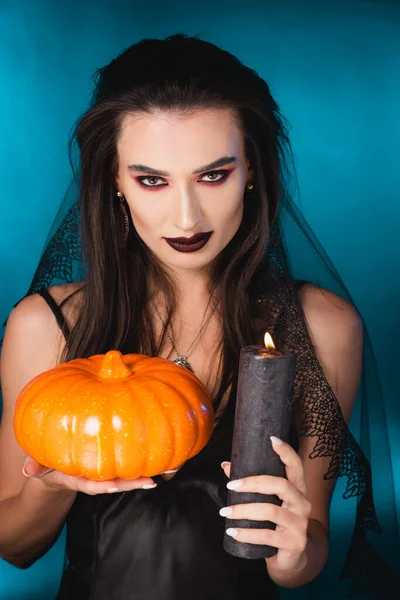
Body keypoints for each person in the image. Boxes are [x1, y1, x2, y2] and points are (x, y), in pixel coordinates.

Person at [0, 33, 396, 600]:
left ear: (253, 170)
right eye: (151, 180)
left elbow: (305, 553)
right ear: (114, 181)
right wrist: (56, 485)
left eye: (214, 175)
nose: (186, 216)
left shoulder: (323, 328)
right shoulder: (46, 327)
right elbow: (14, 547)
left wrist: (295, 550)